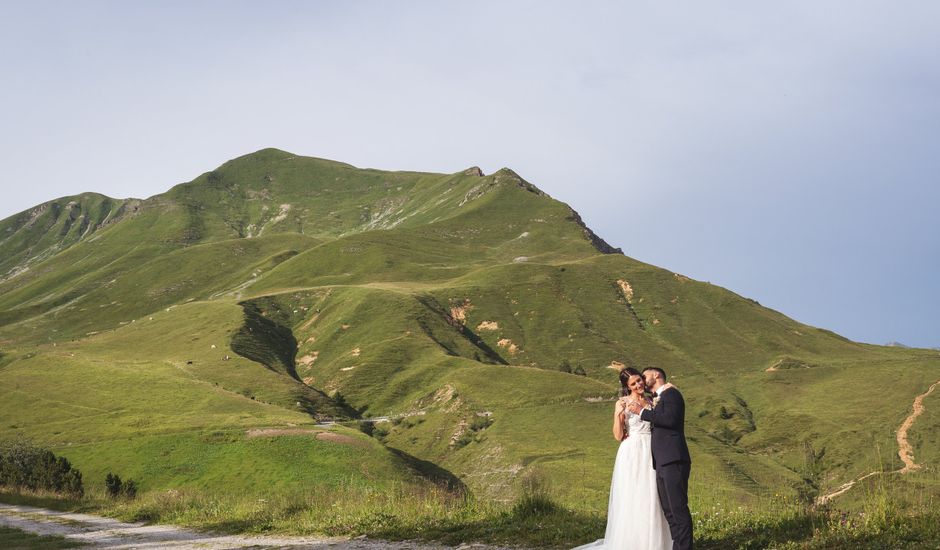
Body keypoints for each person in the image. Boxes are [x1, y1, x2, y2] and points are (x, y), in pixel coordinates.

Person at [573, 368, 673, 550]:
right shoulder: (623, 403)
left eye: (639, 380)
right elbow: (618, 436)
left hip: (652, 449)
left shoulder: (651, 400)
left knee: (653, 495)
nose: (639, 385)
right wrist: (617, 415)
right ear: (627, 387)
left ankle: (655, 541)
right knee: (635, 495)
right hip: (633, 451)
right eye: (633, 383)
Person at [627, 367, 693, 550]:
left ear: (656, 375)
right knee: (669, 512)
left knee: (678, 510)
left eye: (645, 376)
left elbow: (670, 420)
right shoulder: (658, 397)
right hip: (662, 461)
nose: (642, 379)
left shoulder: (672, 394)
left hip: (674, 459)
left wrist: (642, 412)